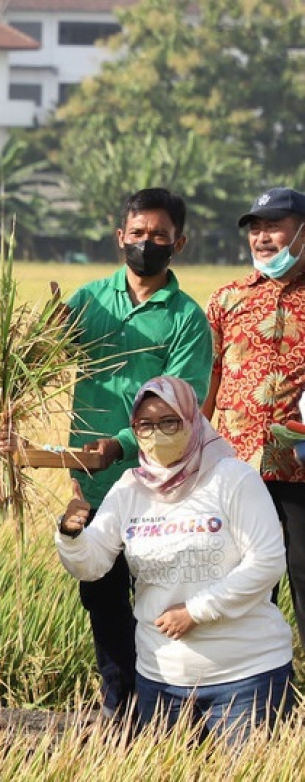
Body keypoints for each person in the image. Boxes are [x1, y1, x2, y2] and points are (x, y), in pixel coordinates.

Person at [56, 377, 294, 744]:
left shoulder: (232, 479)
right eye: (145, 425)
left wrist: (196, 611)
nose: (157, 434)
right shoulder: (129, 488)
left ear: (192, 420)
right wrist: (71, 535)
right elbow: (92, 564)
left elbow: (267, 561)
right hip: (162, 680)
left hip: (246, 676)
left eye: (169, 422)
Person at [59, 187, 213, 720]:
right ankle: (119, 706)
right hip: (95, 484)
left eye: (159, 235)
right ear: (120, 237)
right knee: (102, 599)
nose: (147, 243)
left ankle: (168, 706)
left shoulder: (187, 318)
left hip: (161, 485)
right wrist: (42, 335)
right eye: (138, 233)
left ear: (179, 243)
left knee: (160, 596)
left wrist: (121, 445)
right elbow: (43, 358)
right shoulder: (87, 302)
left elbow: (181, 401)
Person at [204, 187, 305, 646]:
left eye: (274, 227)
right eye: (256, 229)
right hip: (237, 465)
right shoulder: (228, 299)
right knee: (244, 578)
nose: (262, 238)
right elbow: (208, 379)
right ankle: (255, 679)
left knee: (303, 573)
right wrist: (194, 454)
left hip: (300, 467)